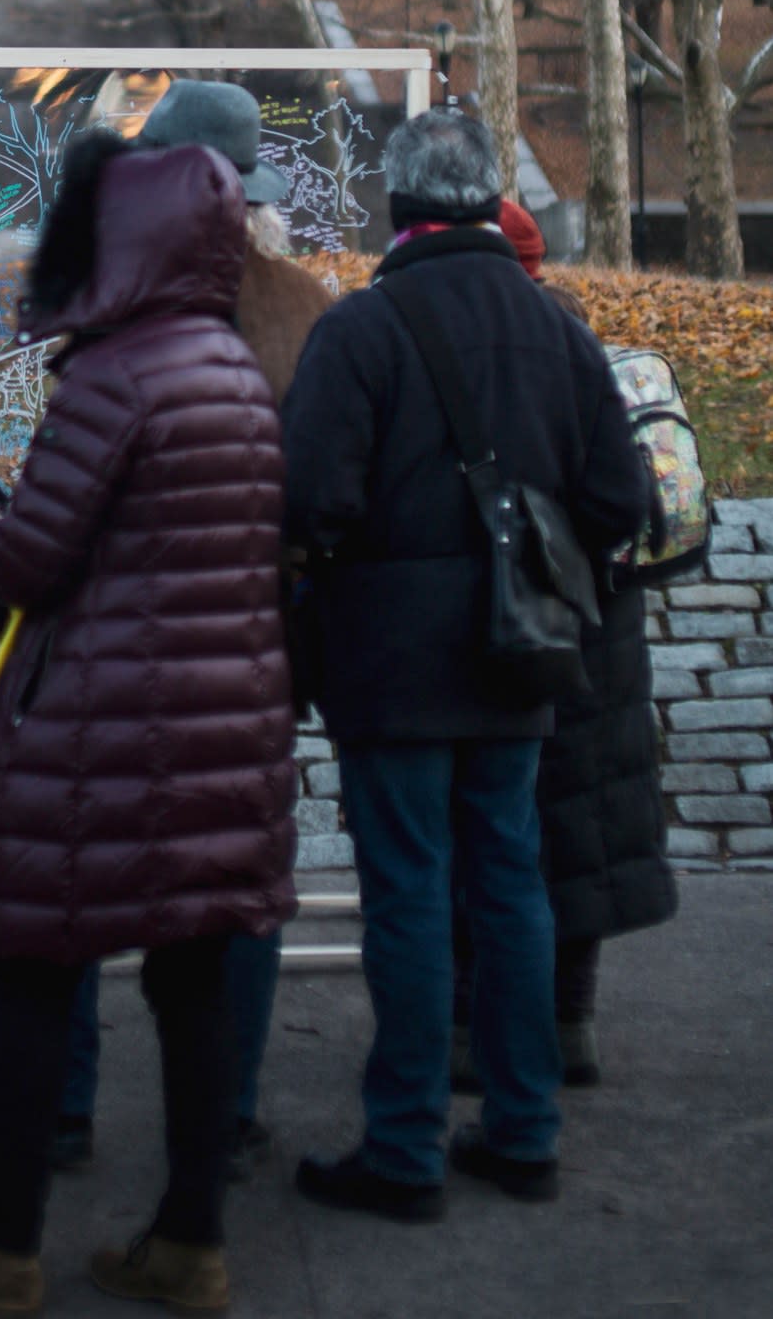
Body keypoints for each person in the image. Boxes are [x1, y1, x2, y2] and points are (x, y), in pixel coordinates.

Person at [0, 132, 297, 1318]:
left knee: (33, 978)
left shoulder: (114, 377)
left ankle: (6, 1251)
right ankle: (190, 1245)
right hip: (222, 736)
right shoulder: (232, 368)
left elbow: (32, 563)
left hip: (94, 738)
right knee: (192, 987)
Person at [281, 113, 649, 1223]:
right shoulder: (561, 334)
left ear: (397, 205)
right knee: (512, 886)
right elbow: (620, 502)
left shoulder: (360, 331)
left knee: (408, 896)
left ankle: (403, 1149)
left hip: (391, 666)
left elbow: (310, 503)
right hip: (519, 657)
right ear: (494, 198)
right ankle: (526, 1132)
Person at [46, 81, 333, 1183]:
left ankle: (66, 1109)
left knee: (76, 868)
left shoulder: (111, 306)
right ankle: (225, 1114)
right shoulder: (307, 307)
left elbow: (70, 492)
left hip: (111, 639)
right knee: (235, 880)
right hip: (254, 640)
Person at [450, 200, 675, 1093]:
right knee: (579, 830)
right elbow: (628, 505)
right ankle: (571, 1024)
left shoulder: (479, 355)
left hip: (511, 624)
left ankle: (471, 1033)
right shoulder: (584, 339)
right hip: (599, 630)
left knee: (486, 836)